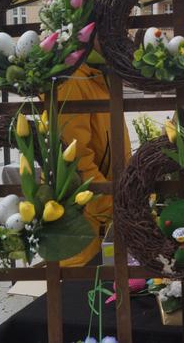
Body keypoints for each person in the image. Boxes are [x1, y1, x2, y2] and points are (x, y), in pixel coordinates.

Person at [56, 58, 131, 267]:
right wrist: (116, 208)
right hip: (84, 232)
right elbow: (75, 160)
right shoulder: (72, 81)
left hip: (102, 225)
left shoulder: (101, 79)